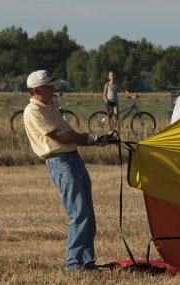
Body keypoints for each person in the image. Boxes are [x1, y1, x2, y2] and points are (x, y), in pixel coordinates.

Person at [23, 70, 117, 272]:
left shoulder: (49, 107)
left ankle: (87, 262)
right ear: (37, 90)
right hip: (61, 162)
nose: (53, 89)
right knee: (79, 214)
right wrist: (93, 139)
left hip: (73, 160)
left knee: (88, 214)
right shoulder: (33, 111)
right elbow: (61, 137)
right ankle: (74, 265)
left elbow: (71, 135)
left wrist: (98, 140)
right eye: (49, 86)